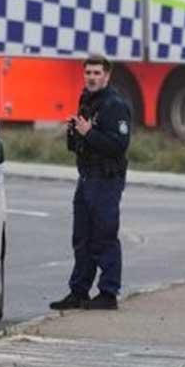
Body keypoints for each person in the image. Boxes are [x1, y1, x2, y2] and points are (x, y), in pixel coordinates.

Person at [49, 55, 132, 311]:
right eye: (88, 73)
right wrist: (74, 134)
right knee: (82, 237)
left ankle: (108, 293)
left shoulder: (114, 105)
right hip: (86, 177)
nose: (92, 77)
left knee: (104, 236)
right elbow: (80, 144)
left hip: (106, 179)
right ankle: (79, 291)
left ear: (107, 76)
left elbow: (119, 145)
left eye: (97, 73)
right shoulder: (86, 100)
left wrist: (89, 133)